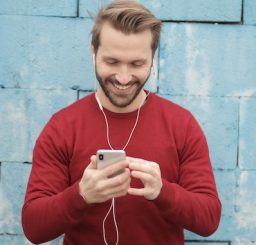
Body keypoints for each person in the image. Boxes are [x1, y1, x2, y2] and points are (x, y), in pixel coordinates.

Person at [21, 0, 222, 244]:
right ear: (93, 52)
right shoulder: (62, 127)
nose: (124, 77)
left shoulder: (181, 124)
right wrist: (81, 195)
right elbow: (33, 227)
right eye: (112, 62)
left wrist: (163, 191)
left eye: (137, 64)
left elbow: (209, 219)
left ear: (152, 58)